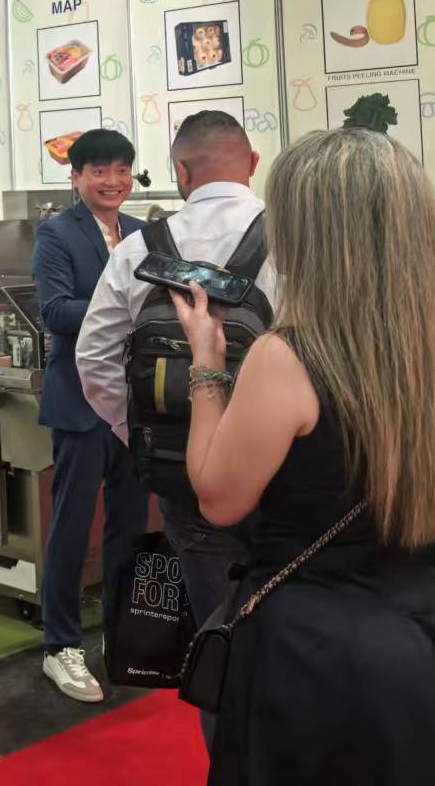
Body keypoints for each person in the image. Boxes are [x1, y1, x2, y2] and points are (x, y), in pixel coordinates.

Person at [168, 128, 435, 784]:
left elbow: (219, 496)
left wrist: (206, 367)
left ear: (305, 231)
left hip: (323, 652)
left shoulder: (287, 356)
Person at [77, 110, 274, 640]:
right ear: (253, 163)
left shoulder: (138, 249)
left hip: (178, 465)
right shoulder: (294, 238)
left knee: (216, 623)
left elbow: (94, 357)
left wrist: (141, 431)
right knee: (285, 618)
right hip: (276, 467)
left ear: (181, 172)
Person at [29, 129, 148, 704]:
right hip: (79, 403)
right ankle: (61, 645)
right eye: (99, 170)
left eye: (121, 170)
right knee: (72, 528)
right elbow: (55, 311)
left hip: (134, 401)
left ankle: (124, 631)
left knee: (131, 524)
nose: (112, 181)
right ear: (76, 177)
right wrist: (125, 307)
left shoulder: (145, 233)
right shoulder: (57, 234)